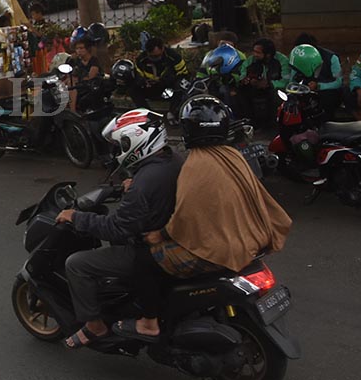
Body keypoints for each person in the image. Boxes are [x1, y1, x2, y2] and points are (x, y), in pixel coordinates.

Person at [113, 96, 293, 341]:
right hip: (250, 234)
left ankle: (148, 323)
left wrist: (160, 235)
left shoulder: (196, 164)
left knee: (145, 258)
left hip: (222, 247)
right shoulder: (231, 155)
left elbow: (186, 215)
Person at [54, 109, 183, 348]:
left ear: (134, 142)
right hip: (171, 233)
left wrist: (76, 217)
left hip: (151, 246)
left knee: (76, 264)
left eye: (121, 144)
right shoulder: (172, 159)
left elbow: (116, 228)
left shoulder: (143, 184)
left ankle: (95, 326)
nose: (118, 151)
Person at [239, 39, 292, 127]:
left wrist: (270, 84)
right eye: (254, 51)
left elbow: (286, 81)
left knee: (276, 95)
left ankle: (274, 124)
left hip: (275, 89)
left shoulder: (282, 60)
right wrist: (246, 80)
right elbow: (243, 73)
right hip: (255, 88)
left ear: (268, 54)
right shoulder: (251, 60)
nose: (255, 54)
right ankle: (250, 123)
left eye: (258, 53)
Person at [288, 35, 343, 116]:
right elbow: (292, 80)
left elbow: (338, 82)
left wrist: (319, 86)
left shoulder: (332, 58)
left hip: (326, 93)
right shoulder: (298, 59)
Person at [131, 36, 189, 113]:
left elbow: (184, 74)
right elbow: (138, 76)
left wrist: (168, 79)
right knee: (133, 89)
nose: (155, 59)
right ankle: (146, 113)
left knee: (180, 86)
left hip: (169, 87)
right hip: (152, 88)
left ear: (162, 49)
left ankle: (172, 113)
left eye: (157, 56)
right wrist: (144, 82)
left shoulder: (173, 57)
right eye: (151, 56)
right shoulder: (141, 60)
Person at [66, 30, 101, 113]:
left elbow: (91, 76)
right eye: (77, 49)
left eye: (81, 48)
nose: (79, 51)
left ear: (87, 49)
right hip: (77, 83)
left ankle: (72, 111)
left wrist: (78, 79)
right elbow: (69, 73)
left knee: (71, 84)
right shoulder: (76, 60)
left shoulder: (94, 60)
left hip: (90, 85)